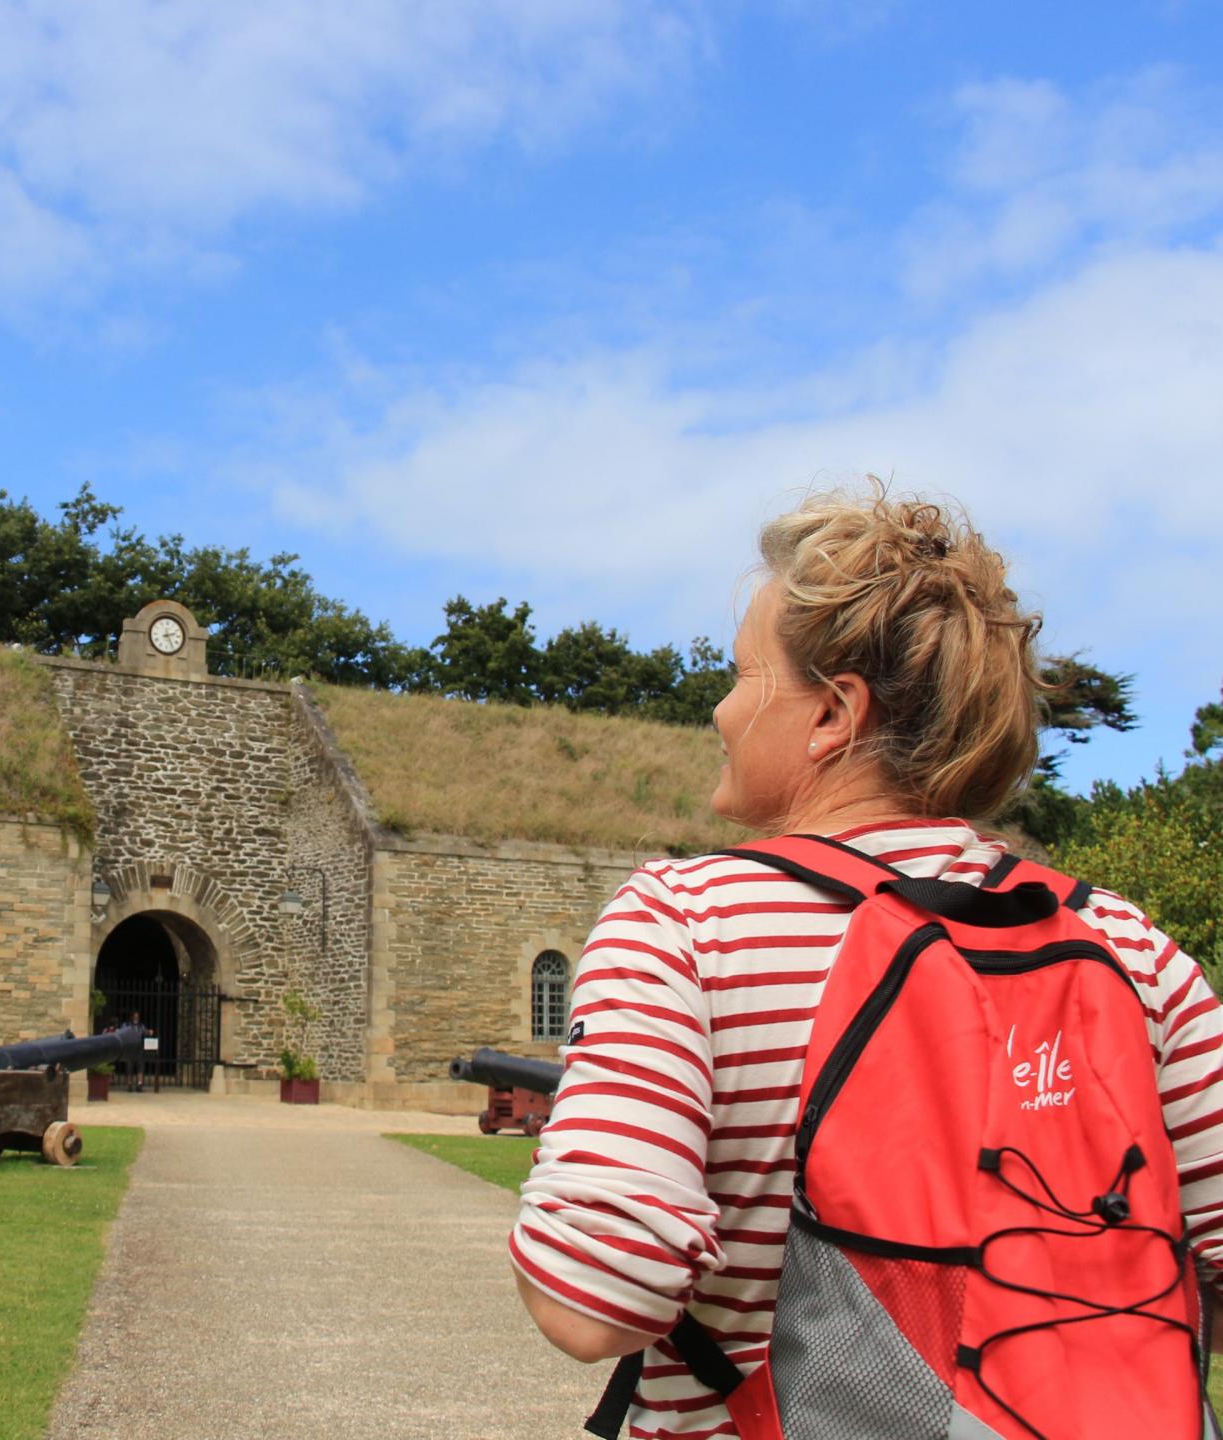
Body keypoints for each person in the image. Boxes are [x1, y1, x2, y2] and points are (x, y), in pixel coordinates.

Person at [510, 487, 1223, 1437]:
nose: (720, 710)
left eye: (740, 674)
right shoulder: (1130, 949)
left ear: (832, 714)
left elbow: (594, 1299)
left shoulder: (686, 924)